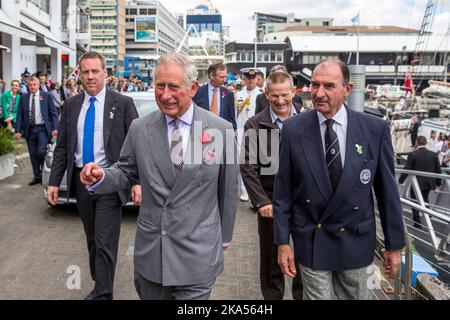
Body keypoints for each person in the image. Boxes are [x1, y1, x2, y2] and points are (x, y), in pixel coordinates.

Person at [79, 53, 239, 300]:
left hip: (199, 253)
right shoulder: (140, 128)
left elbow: (228, 189)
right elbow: (125, 172)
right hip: (153, 252)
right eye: (159, 86)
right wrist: (101, 177)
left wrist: (225, 237)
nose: (165, 95)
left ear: (193, 87)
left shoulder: (219, 129)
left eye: (174, 87)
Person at [273, 59, 405, 300]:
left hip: (356, 240)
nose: (319, 93)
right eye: (315, 85)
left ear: (348, 89)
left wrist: (393, 245)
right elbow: (283, 193)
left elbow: (387, 193)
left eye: (329, 86)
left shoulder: (374, 129)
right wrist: (283, 243)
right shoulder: (293, 129)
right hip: (312, 238)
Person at [47, 51, 139, 300]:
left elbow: (136, 145)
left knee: (105, 240)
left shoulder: (123, 103)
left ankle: (102, 294)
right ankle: (101, 281)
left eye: (95, 71)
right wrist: (54, 182)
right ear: (80, 75)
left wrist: (137, 182)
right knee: (92, 238)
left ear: (105, 74)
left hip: (110, 181)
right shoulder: (72, 105)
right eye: (85, 71)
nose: (90, 76)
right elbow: (63, 147)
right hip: (81, 182)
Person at [240, 71, 303, 300]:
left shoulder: (308, 120)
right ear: (266, 94)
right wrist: (261, 201)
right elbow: (247, 167)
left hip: (304, 202)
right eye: (274, 96)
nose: (280, 101)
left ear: (293, 92)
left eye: (285, 95)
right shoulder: (254, 125)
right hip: (271, 202)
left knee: (304, 258)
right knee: (270, 259)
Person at [15, 76, 58, 185]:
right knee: (33, 154)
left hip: (43, 129)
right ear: (27, 86)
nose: (32, 87)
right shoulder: (24, 98)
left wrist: (55, 128)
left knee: (41, 151)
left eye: (34, 85)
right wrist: (18, 130)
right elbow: (20, 115)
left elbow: (53, 113)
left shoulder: (46, 96)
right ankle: (37, 176)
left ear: (38, 85)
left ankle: (45, 174)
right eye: (30, 85)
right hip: (29, 130)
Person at [398, 136, 442, 229]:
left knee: (414, 200)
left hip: (417, 182)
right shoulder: (433, 155)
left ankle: (417, 223)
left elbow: (407, 169)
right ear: (425, 143)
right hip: (430, 182)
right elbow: (438, 169)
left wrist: (400, 181)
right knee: (425, 198)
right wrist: (439, 182)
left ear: (417, 142)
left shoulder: (413, 154)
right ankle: (428, 215)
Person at [236, 68, 261, 202]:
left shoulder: (261, 95)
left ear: (257, 79)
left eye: (253, 78)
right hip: (240, 130)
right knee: (242, 160)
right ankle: (244, 190)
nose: (251, 81)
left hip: (255, 130)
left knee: (255, 161)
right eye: (248, 79)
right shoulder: (238, 94)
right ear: (244, 80)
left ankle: (255, 191)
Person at [193, 63, 237, 130]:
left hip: (222, 134)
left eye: (225, 76)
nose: (224, 80)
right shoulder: (197, 92)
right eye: (221, 77)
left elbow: (231, 118)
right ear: (212, 76)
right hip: (201, 133)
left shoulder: (228, 94)